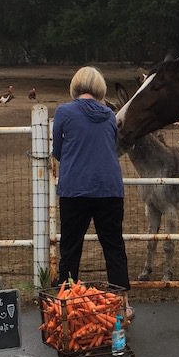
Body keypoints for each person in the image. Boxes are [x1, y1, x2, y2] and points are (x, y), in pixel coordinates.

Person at [52, 66, 133, 320]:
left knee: (70, 248)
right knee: (113, 247)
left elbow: (58, 151)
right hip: (109, 188)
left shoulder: (64, 112)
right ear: (99, 88)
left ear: (76, 85)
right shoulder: (109, 115)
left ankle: (64, 305)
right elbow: (111, 144)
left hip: (75, 189)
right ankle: (123, 305)